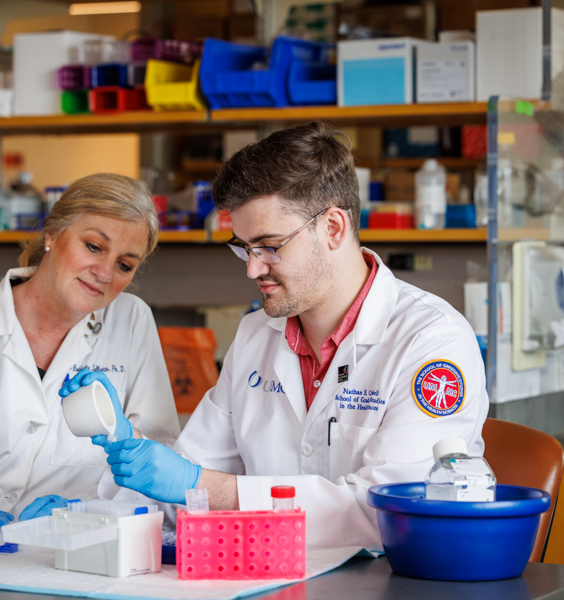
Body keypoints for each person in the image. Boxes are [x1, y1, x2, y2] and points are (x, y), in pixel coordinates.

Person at [102, 122, 489, 551]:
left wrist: (215, 491)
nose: (252, 269)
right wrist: (100, 507)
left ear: (334, 229)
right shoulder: (255, 336)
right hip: (271, 576)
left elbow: (386, 514)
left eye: (269, 245)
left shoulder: (431, 341)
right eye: (244, 247)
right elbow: (189, 476)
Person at [0, 173, 180, 528]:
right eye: (94, 246)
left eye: (124, 265)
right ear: (52, 233)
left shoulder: (131, 321)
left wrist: (87, 513)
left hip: (80, 545)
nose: (104, 272)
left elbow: (161, 472)